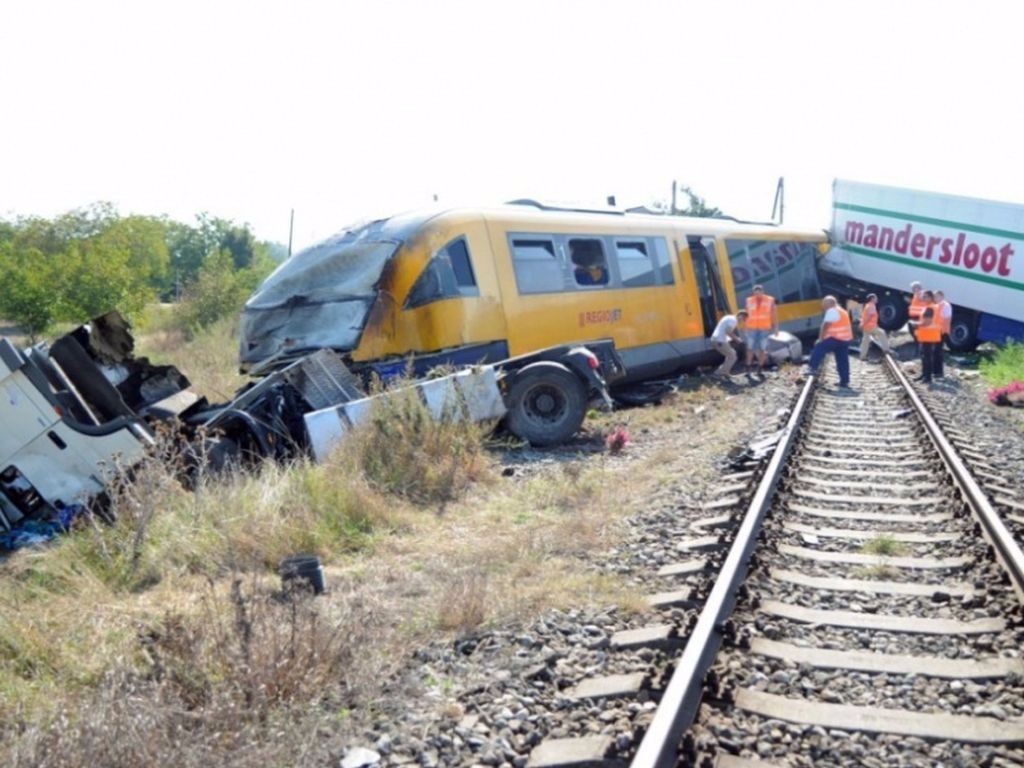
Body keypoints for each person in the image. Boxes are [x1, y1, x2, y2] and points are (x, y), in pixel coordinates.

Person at [807, 295, 853, 388]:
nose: (823, 306)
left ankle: (812, 368)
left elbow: (826, 325)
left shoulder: (832, 311)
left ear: (831, 303)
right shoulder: (842, 311)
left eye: (825, 304)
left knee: (819, 348)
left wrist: (821, 339)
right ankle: (844, 381)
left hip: (835, 338)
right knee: (842, 360)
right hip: (845, 339)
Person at [744, 285, 777, 375]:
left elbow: (773, 315)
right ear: (753, 293)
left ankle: (760, 369)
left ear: (763, 291)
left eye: (759, 292)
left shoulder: (770, 300)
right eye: (755, 293)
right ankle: (748, 369)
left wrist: (775, 328)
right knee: (750, 348)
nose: (757, 294)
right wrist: (746, 328)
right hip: (751, 328)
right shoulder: (749, 300)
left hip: (764, 328)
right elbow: (746, 316)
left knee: (763, 349)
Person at [710, 310, 748, 376]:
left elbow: (724, 330)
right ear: (740, 315)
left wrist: (731, 339)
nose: (742, 321)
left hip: (717, 339)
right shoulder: (733, 320)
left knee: (731, 355)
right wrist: (737, 340)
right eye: (744, 318)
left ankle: (725, 371)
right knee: (733, 356)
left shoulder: (729, 317)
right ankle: (719, 373)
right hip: (720, 340)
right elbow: (728, 331)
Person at [912, 306, 943, 383]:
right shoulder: (930, 308)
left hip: (928, 337)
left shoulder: (931, 308)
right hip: (926, 336)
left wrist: (916, 324)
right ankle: (924, 375)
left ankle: (927, 377)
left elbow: (927, 322)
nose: (923, 298)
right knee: (924, 357)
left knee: (927, 358)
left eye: (925, 297)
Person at [858, 293, 890, 361]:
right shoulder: (872, 306)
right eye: (876, 298)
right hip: (870, 326)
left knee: (865, 341)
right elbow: (869, 317)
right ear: (872, 299)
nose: (877, 299)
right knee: (882, 333)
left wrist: (863, 324)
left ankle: (862, 356)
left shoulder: (867, 305)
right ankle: (886, 350)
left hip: (867, 326)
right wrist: (863, 324)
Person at [935, 290, 953, 355]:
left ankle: (938, 363)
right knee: (936, 348)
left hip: (942, 330)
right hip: (938, 329)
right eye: (935, 297)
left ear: (942, 297)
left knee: (938, 348)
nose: (935, 298)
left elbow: (946, 318)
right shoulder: (938, 305)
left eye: (937, 296)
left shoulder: (945, 305)